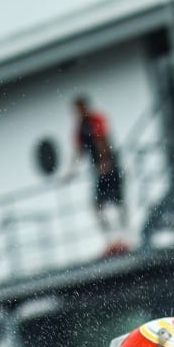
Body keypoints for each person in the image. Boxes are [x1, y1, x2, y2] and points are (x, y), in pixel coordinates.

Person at [65, 95, 127, 248]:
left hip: (110, 166)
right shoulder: (80, 128)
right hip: (100, 169)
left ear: (84, 108)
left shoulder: (96, 120)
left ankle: (123, 237)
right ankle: (111, 240)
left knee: (118, 201)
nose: (76, 114)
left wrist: (104, 161)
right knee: (98, 205)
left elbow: (102, 140)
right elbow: (79, 151)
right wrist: (71, 173)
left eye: (77, 110)